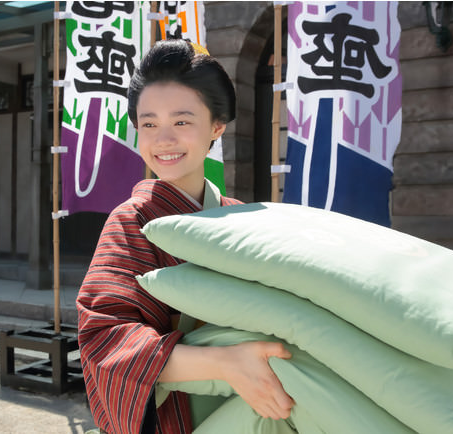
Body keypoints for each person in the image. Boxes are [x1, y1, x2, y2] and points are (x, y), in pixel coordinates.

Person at [77, 39, 294, 434]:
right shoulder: (131, 221)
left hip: (255, 409)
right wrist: (226, 363)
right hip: (178, 418)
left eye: (181, 121)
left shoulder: (240, 217)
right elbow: (104, 338)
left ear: (216, 126)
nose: (163, 139)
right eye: (149, 124)